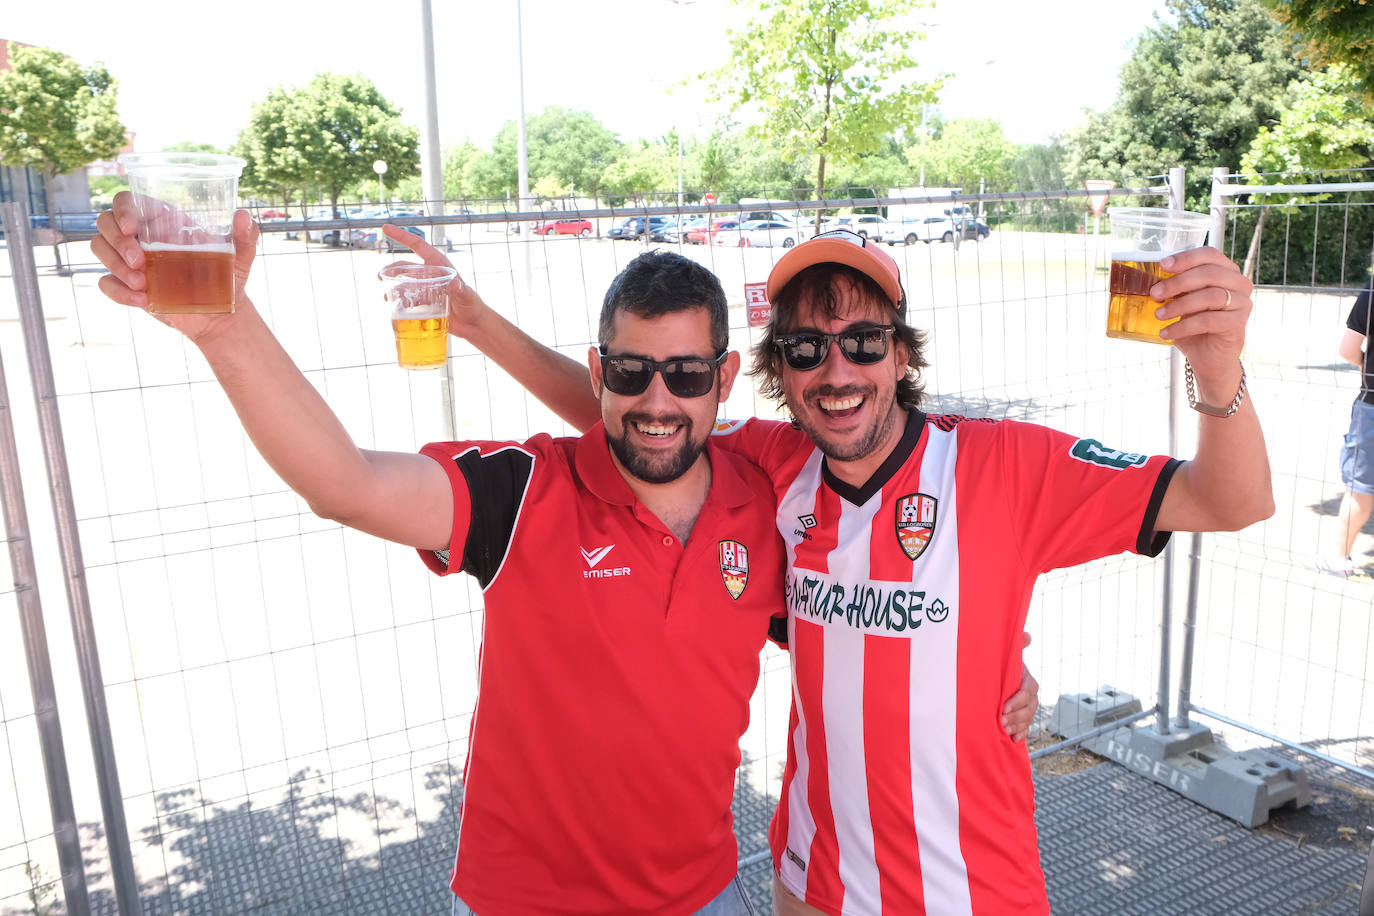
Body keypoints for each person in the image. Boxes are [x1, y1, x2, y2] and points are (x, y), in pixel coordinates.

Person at [90, 200, 1038, 915]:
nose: (657, 400)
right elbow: (343, 482)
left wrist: (1001, 666)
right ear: (598, 374)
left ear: (721, 386)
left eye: (684, 376)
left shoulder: (765, 495)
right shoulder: (521, 490)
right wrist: (222, 323)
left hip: (703, 896)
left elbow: (861, 618)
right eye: (629, 373)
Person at [470, 228, 1273, 915]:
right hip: (813, 881)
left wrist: (1217, 365)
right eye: (807, 349)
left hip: (973, 888)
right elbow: (644, 418)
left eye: (862, 343)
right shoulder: (772, 465)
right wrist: (475, 322)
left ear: (899, 354)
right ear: (778, 369)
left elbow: (1228, 500)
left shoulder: (1004, 465)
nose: (838, 370)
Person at [1318, 277, 1374, 577]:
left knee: (1360, 493)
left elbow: (1348, 349)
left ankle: (1339, 559)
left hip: (1373, 405)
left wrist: (1367, 363)